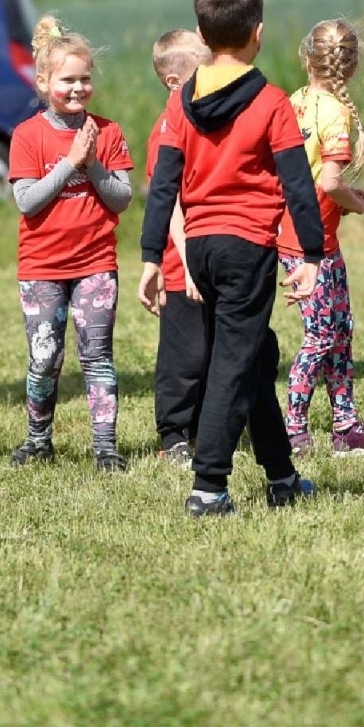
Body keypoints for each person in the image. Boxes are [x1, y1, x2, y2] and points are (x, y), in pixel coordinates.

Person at [139, 0, 322, 517]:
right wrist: (311, 255)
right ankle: (209, 487)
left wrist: (152, 257)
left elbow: (163, 185)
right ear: (258, 33)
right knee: (232, 361)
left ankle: (282, 475)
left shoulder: (180, 102)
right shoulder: (270, 102)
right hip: (247, 249)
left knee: (254, 354)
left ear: (202, 31)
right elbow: (298, 184)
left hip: (200, 247)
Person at [6, 16, 134, 472]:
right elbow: (27, 202)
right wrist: (69, 163)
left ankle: (106, 447)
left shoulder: (108, 131)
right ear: (44, 83)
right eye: (67, 80)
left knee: (97, 356)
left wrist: (94, 162)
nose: (77, 89)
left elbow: (120, 199)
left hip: (96, 264)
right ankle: (38, 440)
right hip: (42, 268)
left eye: (84, 80)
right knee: (44, 358)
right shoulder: (27, 135)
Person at [275, 19, 364, 456]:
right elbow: (328, 181)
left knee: (340, 329)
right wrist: (356, 202)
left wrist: (343, 199)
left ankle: (346, 424)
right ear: (351, 65)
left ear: (307, 59)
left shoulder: (297, 100)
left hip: (306, 234)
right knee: (322, 335)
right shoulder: (335, 112)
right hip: (309, 241)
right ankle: (293, 428)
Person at [145, 29, 210, 468]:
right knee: (184, 354)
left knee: (212, 349)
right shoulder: (165, 131)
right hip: (179, 262)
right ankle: (173, 433)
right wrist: (185, 266)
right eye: (203, 69)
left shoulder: (207, 119)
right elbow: (166, 204)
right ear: (175, 82)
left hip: (211, 257)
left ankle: (206, 428)